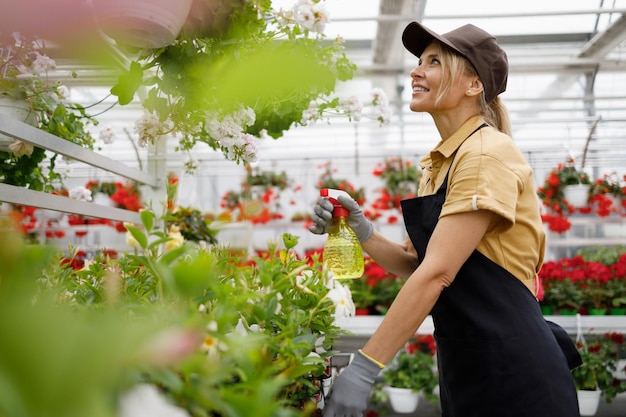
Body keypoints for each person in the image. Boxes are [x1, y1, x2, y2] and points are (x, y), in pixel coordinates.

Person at [311, 22, 582, 417]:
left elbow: (437, 272)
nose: (415, 71)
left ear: (473, 85)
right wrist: (360, 228)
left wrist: (366, 367)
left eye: (434, 62)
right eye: (419, 61)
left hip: (514, 367)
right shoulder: (440, 163)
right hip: (469, 361)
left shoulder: (485, 154)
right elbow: (417, 265)